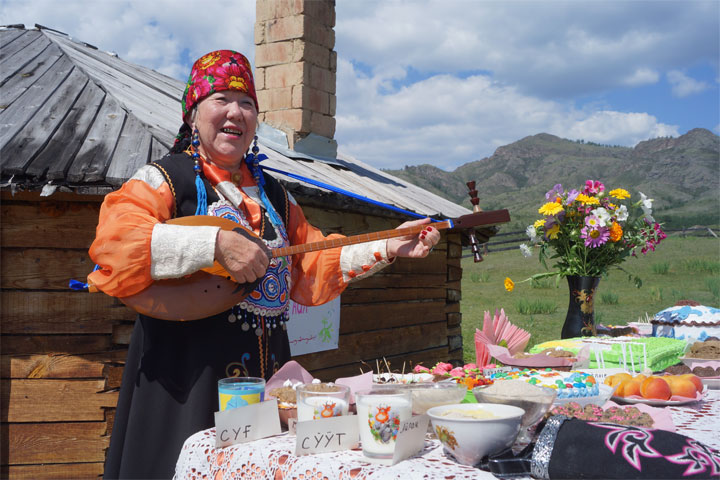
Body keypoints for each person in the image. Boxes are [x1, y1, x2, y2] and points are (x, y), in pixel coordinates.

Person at [88, 50, 440, 479]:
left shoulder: (274, 195)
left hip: (269, 378)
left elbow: (311, 262)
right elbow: (114, 243)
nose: (236, 112)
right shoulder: (165, 179)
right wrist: (213, 243)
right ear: (193, 113)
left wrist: (388, 244)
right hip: (187, 383)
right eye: (220, 99)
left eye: (248, 104)